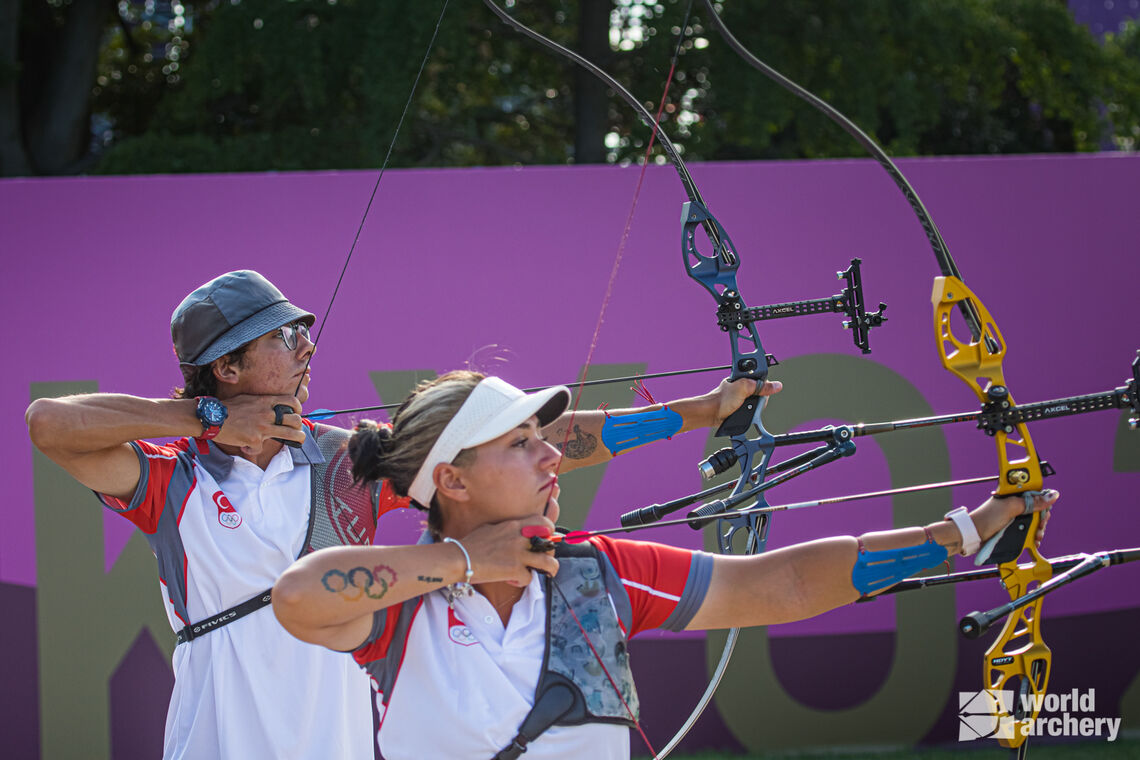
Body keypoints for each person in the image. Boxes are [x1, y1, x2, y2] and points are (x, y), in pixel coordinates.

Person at [24, 271, 762, 760]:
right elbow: (49, 423)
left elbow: (536, 442)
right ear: (227, 367)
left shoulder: (350, 463)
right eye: (284, 337)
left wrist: (697, 412)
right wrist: (207, 418)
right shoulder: (169, 480)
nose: (306, 345)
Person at [272, 370, 1057, 760]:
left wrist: (964, 531)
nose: (552, 454)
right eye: (522, 443)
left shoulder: (599, 572)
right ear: (451, 479)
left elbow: (780, 583)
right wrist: (463, 559)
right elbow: (298, 596)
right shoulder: (402, 601)